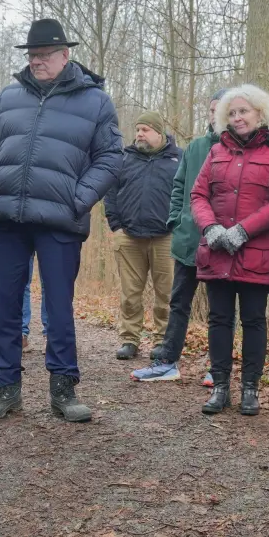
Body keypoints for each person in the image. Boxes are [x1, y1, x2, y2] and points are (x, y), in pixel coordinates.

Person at [0, 18, 121, 424]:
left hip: (60, 219)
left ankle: (63, 387)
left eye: (44, 55)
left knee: (58, 306)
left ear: (65, 55)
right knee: (4, 305)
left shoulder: (95, 101)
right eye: (32, 55)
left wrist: (79, 198)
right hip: (7, 218)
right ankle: (6, 386)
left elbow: (110, 158)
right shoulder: (8, 97)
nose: (37, 61)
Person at [189, 85, 269, 415]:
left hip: (257, 251)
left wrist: (243, 230)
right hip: (217, 249)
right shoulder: (216, 151)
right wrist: (210, 227)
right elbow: (198, 195)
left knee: (253, 320)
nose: (237, 118)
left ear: (260, 113)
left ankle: (250, 388)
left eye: (243, 111)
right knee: (219, 319)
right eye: (231, 113)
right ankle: (220, 387)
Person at [134, 89, 225, 386]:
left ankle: (218, 368)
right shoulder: (196, 147)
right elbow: (178, 187)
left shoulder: (239, 150)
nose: (215, 115)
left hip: (220, 243)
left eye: (220, 109)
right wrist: (177, 219)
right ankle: (167, 361)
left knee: (220, 309)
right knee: (178, 302)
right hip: (187, 238)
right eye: (211, 109)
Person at [105, 111, 181, 360]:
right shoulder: (124, 158)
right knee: (130, 294)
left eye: (145, 129)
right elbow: (111, 192)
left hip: (166, 237)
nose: (139, 134)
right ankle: (129, 339)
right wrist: (115, 226)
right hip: (129, 237)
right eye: (137, 129)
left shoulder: (178, 159)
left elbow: (188, 193)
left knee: (167, 294)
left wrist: (179, 226)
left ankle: (163, 341)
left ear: (160, 133)